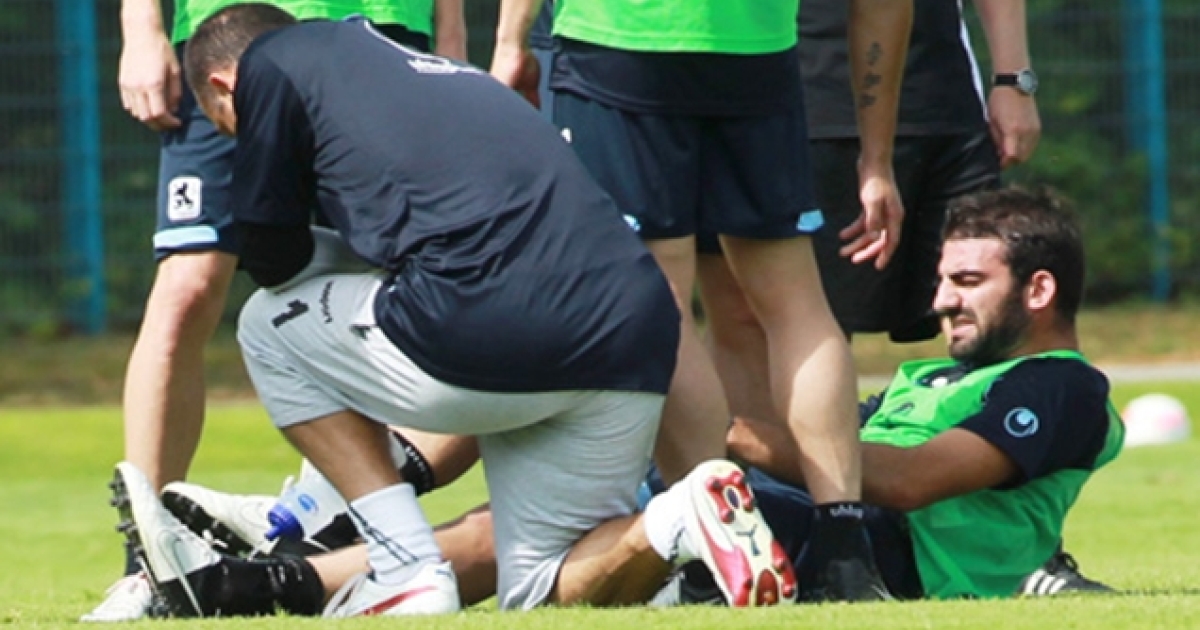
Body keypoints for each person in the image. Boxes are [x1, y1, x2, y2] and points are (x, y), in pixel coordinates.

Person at [111, 3, 795, 618]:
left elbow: (270, 253)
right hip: (633, 336)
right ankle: (679, 518)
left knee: (268, 322)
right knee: (539, 589)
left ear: (225, 85)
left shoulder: (269, 67)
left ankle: (403, 565)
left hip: (500, 328)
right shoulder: (436, 72)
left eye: (229, 125)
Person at [490, 0, 913, 602]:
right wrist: (876, 158)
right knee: (796, 302)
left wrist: (510, 41)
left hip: (622, 40)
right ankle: (847, 553)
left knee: (661, 301)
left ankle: (710, 554)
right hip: (757, 52)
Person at [83, 0, 466, 623]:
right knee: (186, 289)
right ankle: (146, 565)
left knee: (377, 273)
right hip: (226, 35)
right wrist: (141, 27)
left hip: (376, 25)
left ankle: (325, 533)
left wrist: (450, 35)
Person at [716, 186, 1124, 600]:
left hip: (888, 556)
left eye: (967, 281)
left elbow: (908, 481)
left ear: (1038, 291)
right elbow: (832, 441)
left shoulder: (1062, 386)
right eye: (942, 281)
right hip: (811, 516)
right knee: (688, 486)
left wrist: (733, 434)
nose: (942, 301)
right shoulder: (927, 377)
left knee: (703, 507)